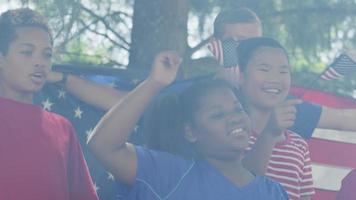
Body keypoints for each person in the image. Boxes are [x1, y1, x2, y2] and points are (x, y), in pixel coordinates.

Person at [88, 51, 289, 199]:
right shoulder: (168, 172)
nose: (235, 118)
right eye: (218, 115)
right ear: (191, 132)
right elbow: (104, 146)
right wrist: (154, 83)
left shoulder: (274, 192)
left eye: (237, 109)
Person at [211, 7, 356, 139]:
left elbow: (342, 119)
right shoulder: (193, 95)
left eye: (258, 42)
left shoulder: (279, 103)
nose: (251, 50)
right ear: (216, 45)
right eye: (238, 42)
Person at [0, 8, 98, 200]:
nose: (39, 62)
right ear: (1, 58)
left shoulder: (62, 128)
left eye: (47, 55)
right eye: (27, 52)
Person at [236, 37, 314, 200]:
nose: (275, 78)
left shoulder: (299, 146)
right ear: (240, 76)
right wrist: (270, 134)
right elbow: (240, 186)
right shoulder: (230, 134)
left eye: (283, 71)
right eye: (264, 69)